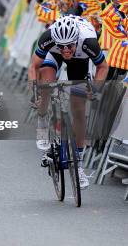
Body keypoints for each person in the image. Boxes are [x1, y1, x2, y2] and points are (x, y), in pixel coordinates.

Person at [28, 15, 108, 189]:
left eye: (69, 46)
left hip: (80, 59)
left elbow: (103, 67)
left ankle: (78, 166)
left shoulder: (87, 42)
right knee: (46, 87)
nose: (65, 50)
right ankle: (42, 124)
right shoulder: (48, 38)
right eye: (62, 46)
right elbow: (34, 66)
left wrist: (95, 89)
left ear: (76, 40)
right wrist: (35, 91)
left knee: (78, 110)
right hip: (52, 55)